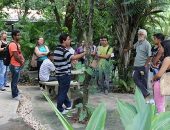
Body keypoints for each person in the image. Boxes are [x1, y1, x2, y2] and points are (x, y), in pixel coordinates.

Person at [54, 33, 86, 114]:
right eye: (68, 39)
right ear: (64, 40)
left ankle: (68, 104)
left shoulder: (57, 49)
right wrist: (84, 53)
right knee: (63, 92)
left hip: (59, 74)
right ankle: (59, 109)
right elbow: (73, 57)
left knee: (63, 90)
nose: (70, 41)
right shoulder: (63, 50)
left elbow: (69, 58)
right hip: (64, 74)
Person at [125, 29, 151, 98]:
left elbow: (149, 56)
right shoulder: (138, 42)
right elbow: (133, 46)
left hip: (143, 65)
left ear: (145, 35)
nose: (139, 35)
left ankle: (144, 96)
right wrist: (127, 49)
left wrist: (145, 65)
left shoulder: (147, 44)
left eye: (141, 34)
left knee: (144, 80)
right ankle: (145, 92)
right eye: (139, 34)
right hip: (136, 65)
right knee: (135, 78)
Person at [150, 33, 165, 113]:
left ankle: (159, 109)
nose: (154, 40)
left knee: (157, 87)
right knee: (155, 87)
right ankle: (156, 103)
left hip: (158, 70)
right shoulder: (157, 48)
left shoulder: (161, 49)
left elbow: (155, 61)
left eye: (155, 38)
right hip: (156, 69)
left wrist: (153, 62)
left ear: (159, 40)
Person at [9, 30, 25, 100]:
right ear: (14, 36)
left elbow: (19, 53)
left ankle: (16, 91)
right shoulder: (12, 44)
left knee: (16, 79)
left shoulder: (17, 44)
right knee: (15, 80)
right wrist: (21, 62)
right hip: (14, 64)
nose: (19, 36)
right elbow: (15, 56)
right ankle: (15, 95)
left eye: (19, 35)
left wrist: (23, 59)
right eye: (18, 35)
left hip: (17, 64)